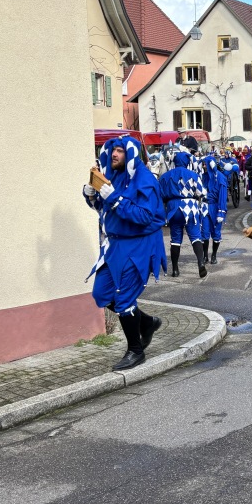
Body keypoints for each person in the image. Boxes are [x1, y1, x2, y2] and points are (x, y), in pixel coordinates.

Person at [82, 135, 167, 370]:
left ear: (130, 154)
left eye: (119, 151)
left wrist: (115, 198)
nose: (114, 154)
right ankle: (147, 322)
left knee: (123, 299)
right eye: (112, 151)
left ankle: (136, 350)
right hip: (115, 246)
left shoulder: (145, 180)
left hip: (138, 246)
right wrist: (91, 194)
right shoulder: (115, 176)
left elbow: (145, 217)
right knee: (102, 294)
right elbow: (104, 209)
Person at [157, 151, 209, 279]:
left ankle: (175, 270)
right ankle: (201, 263)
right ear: (187, 162)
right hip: (190, 207)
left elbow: (160, 195)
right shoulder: (193, 175)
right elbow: (202, 193)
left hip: (173, 208)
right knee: (196, 236)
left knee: (175, 240)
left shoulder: (165, 176)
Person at [202, 153, 237, 263]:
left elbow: (222, 197)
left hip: (216, 208)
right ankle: (205, 256)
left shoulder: (220, 178)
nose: (203, 166)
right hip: (204, 208)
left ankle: (214, 255)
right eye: (202, 164)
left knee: (216, 233)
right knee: (204, 232)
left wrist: (221, 212)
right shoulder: (203, 176)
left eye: (205, 164)